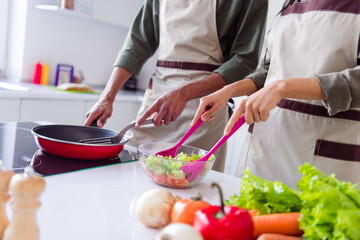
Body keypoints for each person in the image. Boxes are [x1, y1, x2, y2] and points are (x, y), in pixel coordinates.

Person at [191, 0, 360, 188]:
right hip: (266, 145)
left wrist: (281, 88)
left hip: (323, 153)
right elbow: (274, 68)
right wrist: (230, 90)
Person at [84, 0, 268, 172]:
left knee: (186, 185)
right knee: (132, 172)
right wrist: (106, 98)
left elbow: (245, 58)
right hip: (156, 103)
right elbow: (138, 42)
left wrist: (183, 93)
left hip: (203, 110)